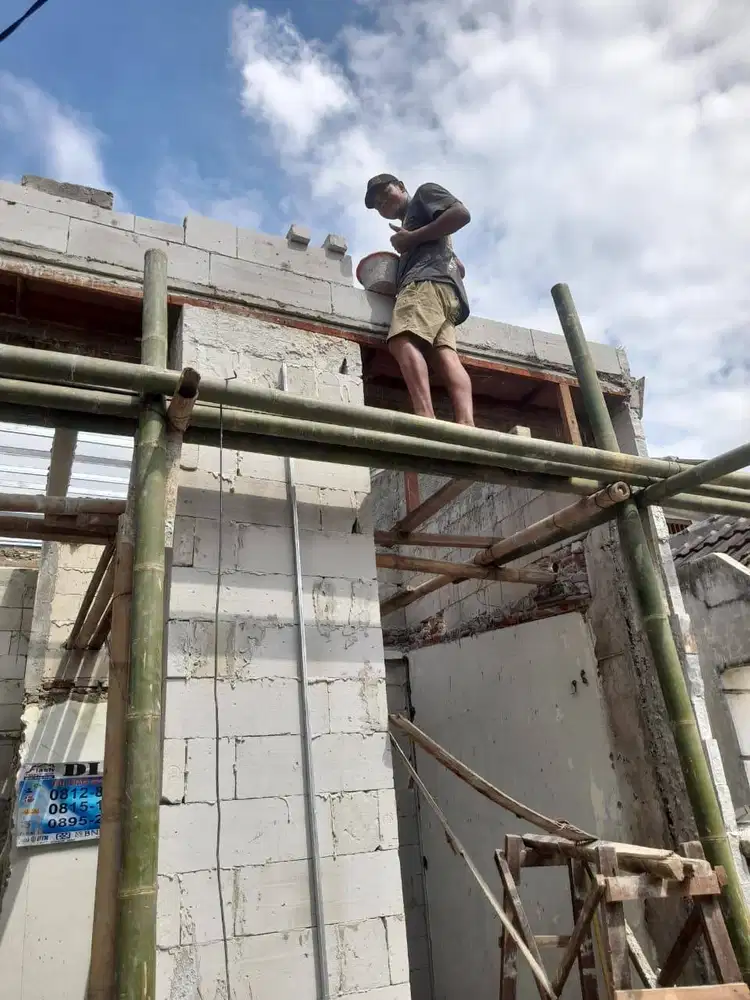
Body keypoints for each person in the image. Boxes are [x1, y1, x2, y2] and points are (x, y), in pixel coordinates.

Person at [364, 173, 474, 426]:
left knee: (401, 340)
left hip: (426, 283)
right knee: (444, 354)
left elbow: (461, 214)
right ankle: (468, 426)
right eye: (377, 203)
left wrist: (410, 239)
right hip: (445, 291)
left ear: (401, 187)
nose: (381, 203)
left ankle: (426, 417)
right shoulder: (417, 223)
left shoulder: (424, 194)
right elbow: (458, 264)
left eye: (384, 193)